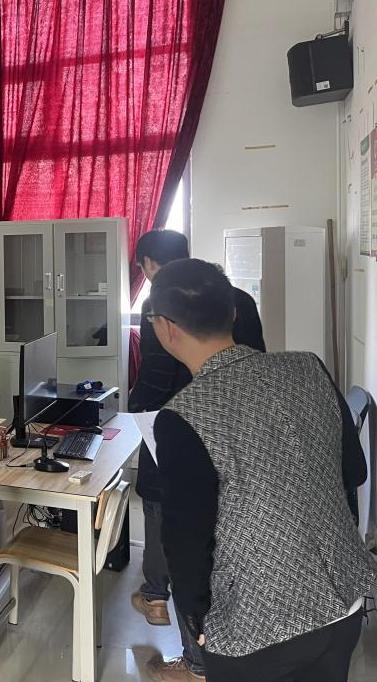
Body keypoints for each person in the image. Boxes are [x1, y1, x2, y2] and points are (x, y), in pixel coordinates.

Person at [149, 259, 375, 682]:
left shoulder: (184, 415)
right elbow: (354, 471)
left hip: (258, 626)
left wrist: (196, 619)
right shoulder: (309, 367)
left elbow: (185, 539)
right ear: (234, 313)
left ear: (166, 328)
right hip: (344, 600)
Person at [129, 230, 265, 682]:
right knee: (220, 532)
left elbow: (154, 378)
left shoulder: (161, 308)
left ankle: (194, 657)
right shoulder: (235, 298)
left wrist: (136, 413)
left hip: (175, 428)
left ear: (149, 264)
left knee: (172, 523)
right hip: (240, 430)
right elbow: (257, 360)